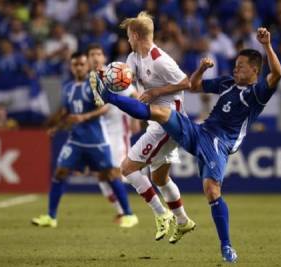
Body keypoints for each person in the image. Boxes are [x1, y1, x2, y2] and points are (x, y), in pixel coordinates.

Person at [90, 27, 281, 262]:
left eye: (241, 66)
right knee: (161, 113)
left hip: (219, 143)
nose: (235, 68)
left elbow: (277, 74)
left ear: (254, 70)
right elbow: (193, 85)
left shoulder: (258, 93)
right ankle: (108, 96)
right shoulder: (227, 83)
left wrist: (267, 45)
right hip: (200, 130)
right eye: (236, 64)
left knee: (212, 191)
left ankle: (226, 246)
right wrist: (201, 69)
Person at [93, 11, 196, 243]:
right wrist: (106, 77)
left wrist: (156, 92)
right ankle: (183, 221)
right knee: (160, 179)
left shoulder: (160, 59)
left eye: (129, 35)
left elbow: (186, 82)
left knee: (127, 169)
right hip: (156, 120)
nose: (127, 39)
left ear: (137, 35)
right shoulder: (132, 58)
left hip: (169, 123)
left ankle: (162, 215)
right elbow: (126, 86)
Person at [32, 51, 138, 229]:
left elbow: (104, 108)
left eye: (82, 64)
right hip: (75, 140)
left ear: (87, 65)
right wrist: (56, 128)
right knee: (60, 172)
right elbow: (67, 113)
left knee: (110, 174)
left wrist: (84, 117)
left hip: (97, 140)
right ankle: (51, 217)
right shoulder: (68, 88)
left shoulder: (94, 84)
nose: (78, 67)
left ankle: (129, 214)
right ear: (71, 67)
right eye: (75, 64)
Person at [87, 43, 141, 225]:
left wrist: (135, 118)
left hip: (117, 133)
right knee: (100, 175)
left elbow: (134, 94)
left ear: (103, 57)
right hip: (97, 134)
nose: (95, 57)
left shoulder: (112, 73)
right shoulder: (86, 79)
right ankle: (121, 211)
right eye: (92, 54)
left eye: (98, 53)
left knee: (114, 173)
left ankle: (128, 214)